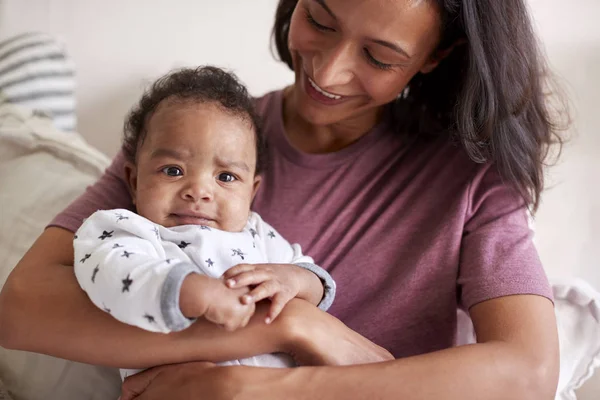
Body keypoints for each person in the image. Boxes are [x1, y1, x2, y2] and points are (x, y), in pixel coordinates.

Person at [0, 0, 565, 399]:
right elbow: (21, 311)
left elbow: (528, 373)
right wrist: (293, 327)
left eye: (379, 56)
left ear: (437, 56)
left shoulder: (473, 178)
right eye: (319, 18)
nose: (329, 69)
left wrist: (258, 389)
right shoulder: (194, 140)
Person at [72, 66, 336, 378]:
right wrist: (189, 291)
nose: (198, 191)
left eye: (226, 177)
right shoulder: (124, 230)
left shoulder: (257, 234)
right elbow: (109, 275)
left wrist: (293, 280)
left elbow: (316, 282)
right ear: (133, 180)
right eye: (173, 170)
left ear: (252, 192)